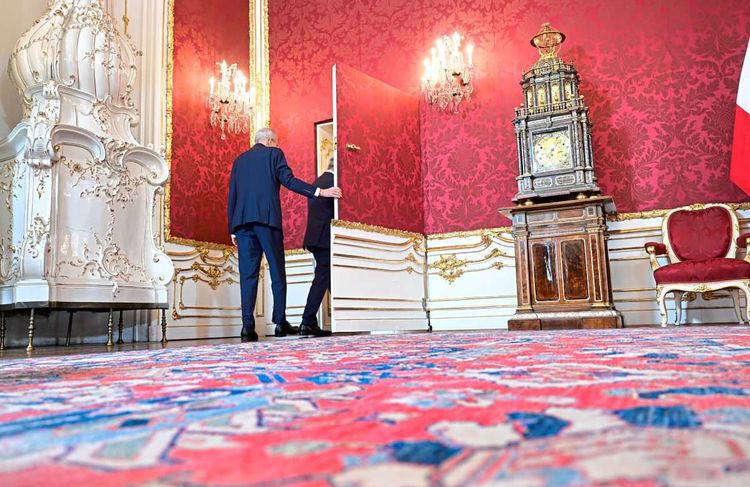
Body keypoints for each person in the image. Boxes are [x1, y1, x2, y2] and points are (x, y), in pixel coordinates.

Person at [227, 128, 342, 342]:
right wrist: (319, 192)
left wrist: (232, 228)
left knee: (247, 276)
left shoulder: (239, 160)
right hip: (267, 221)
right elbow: (289, 180)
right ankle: (280, 323)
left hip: (242, 224)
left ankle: (247, 327)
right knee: (278, 273)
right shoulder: (274, 153)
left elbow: (232, 193)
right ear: (270, 141)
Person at [300, 158, 335, 337]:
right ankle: (307, 321)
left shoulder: (319, 181)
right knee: (322, 278)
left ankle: (311, 320)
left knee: (327, 279)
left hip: (314, 237)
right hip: (324, 238)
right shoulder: (332, 183)